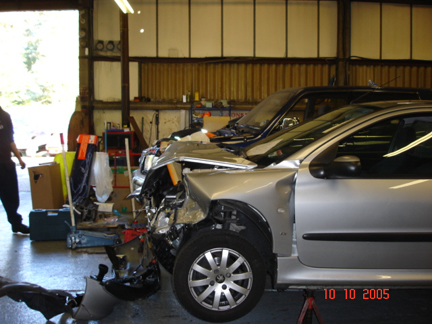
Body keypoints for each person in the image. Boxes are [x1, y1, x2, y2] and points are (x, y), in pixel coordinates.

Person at [0, 106, 29, 234]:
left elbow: (10, 140)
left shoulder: (4, 116)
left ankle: (16, 223)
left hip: (5, 163)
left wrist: (19, 159)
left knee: (11, 196)